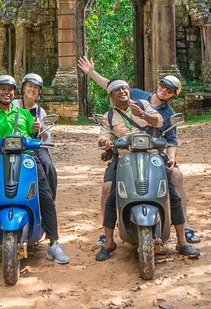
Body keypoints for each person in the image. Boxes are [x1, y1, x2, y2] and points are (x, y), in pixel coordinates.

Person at [78, 56, 202, 245]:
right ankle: (107, 233)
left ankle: (183, 230)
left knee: (175, 177)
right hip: (125, 155)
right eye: (163, 86)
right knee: (107, 188)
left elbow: (171, 140)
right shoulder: (136, 95)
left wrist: (172, 159)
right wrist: (90, 72)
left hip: (153, 154)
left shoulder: (164, 112)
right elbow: (112, 87)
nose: (164, 91)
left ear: (173, 96)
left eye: (170, 91)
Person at [0, 75, 69, 264]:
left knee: (44, 195)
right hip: (0, 160)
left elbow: (36, 137)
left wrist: (36, 130)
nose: (6, 92)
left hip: (27, 159)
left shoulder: (25, 114)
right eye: (2, 89)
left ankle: (54, 243)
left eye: (10, 89)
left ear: (14, 92)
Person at [12, 73, 58, 200]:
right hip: (15, 145)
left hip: (36, 146)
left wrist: (41, 128)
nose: (32, 89)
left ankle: (50, 198)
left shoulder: (40, 111)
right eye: (30, 86)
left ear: (39, 92)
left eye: (36, 88)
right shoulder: (13, 106)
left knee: (48, 165)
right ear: (23, 89)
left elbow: (46, 138)